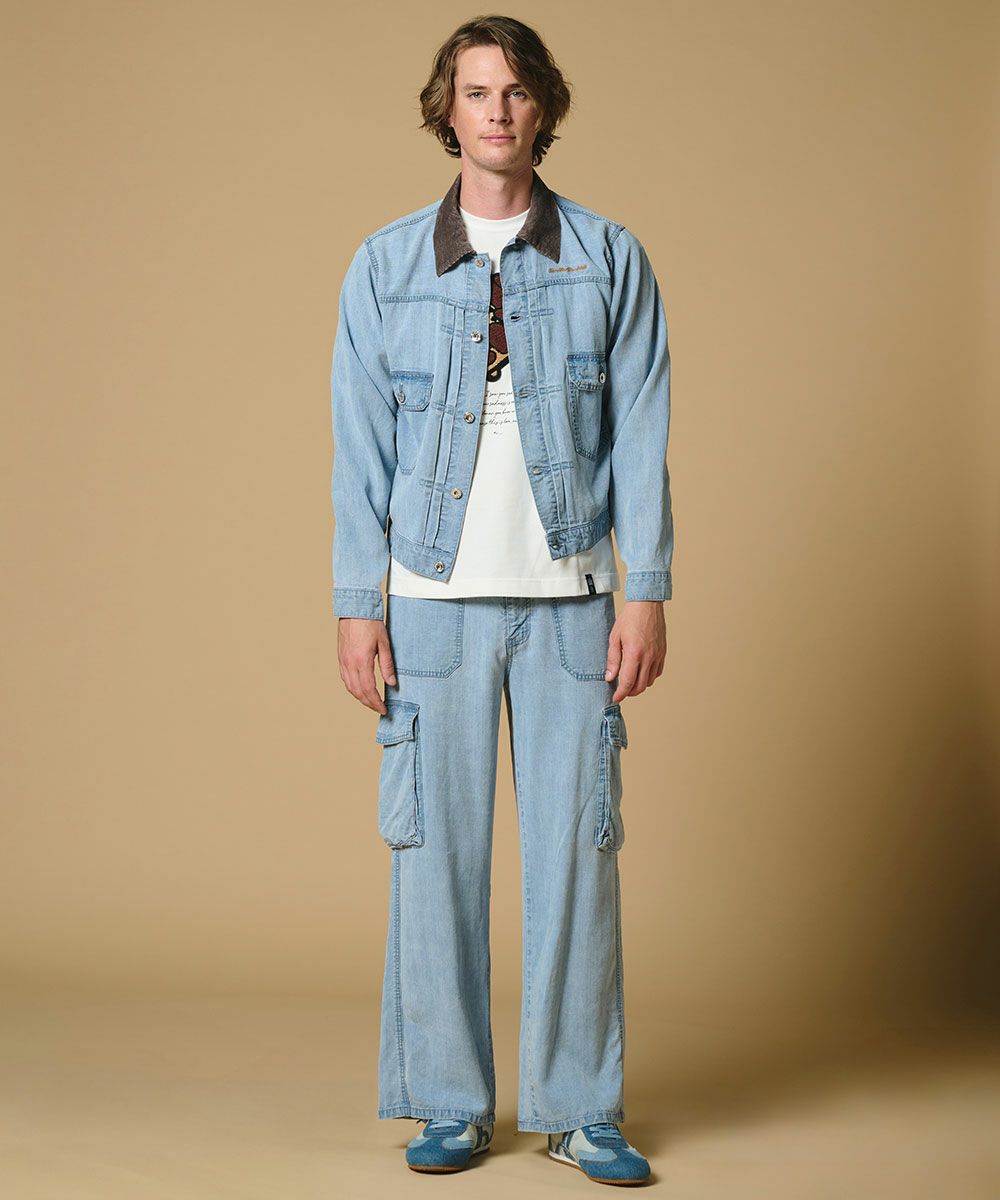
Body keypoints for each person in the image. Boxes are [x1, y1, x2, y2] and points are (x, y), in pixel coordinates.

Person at [330, 15, 673, 1187]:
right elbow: (357, 450)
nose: (496, 111)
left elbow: (641, 431)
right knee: (434, 860)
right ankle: (450, 1103)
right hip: (429, 605)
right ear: (447, 110)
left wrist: (645, 588)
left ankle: (580, 1110)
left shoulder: (608, 257)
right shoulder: (384, 266)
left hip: (572, 601)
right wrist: (357, 600)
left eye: (516, 91)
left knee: (578, 858)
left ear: (543, 109)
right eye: (475, 91)